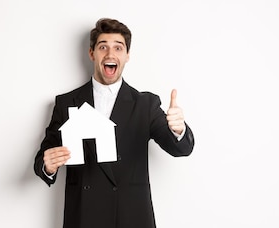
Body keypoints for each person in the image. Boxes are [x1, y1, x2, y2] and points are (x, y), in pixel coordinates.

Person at [33, 18, 195, 228]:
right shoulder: (66, 103)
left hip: (131, 217)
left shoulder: (146, 104)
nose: (110, 54)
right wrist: (48, 165)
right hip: (84, 217)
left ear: (127, 56)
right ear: (92, 54)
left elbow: (181, 149)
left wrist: (179, 129)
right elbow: (42, 160)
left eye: (118, 48)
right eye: (103, 47)